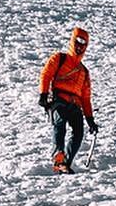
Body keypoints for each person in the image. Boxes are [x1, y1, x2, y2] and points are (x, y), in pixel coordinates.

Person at [39, 26, 98, 173]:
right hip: (58, 100)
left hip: (74, 105)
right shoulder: (59, 58)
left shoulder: (84, 72)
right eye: (77, 42)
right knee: (59, 125)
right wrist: (43, 94)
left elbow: (86, 98)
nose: (79, 46)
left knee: (78, 131)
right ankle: (58, 157)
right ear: (72, 41)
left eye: (83, 44)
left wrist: (90, 119)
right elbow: (46, 74)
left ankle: (66, 162)